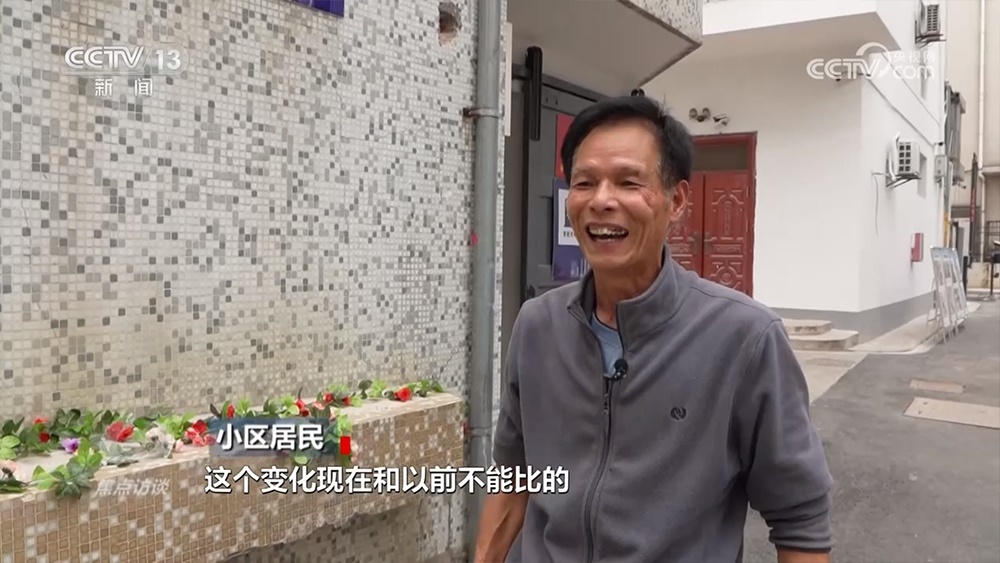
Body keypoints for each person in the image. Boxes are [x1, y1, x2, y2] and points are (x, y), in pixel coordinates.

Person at [474, 96, 833, 563]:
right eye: (584, 183)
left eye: (628, 182)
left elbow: (801, 519)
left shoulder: (745, 338)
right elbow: (512, 475)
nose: (601, 200)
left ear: (676, 200)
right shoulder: (537, 325)